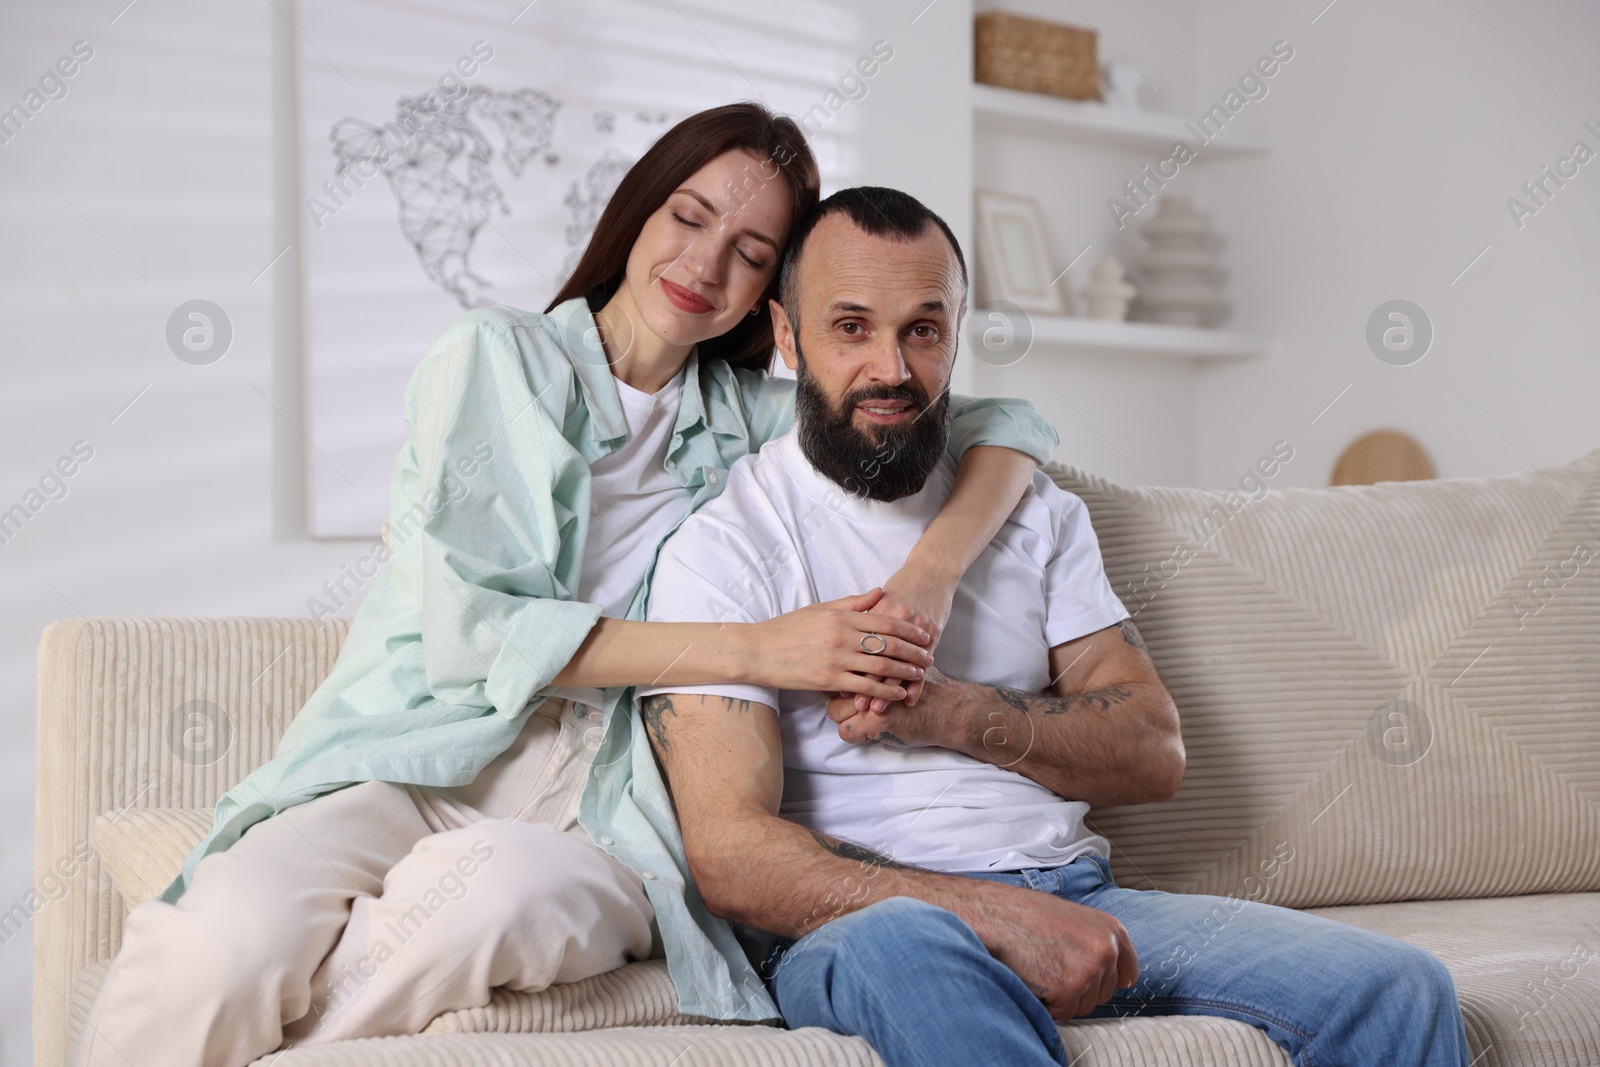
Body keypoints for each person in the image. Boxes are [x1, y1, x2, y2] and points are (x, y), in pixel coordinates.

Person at [72, 107, 1064, 1067]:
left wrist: (930, 575)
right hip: (414, 755)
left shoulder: (749, 418)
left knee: (494, 902)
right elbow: (475, 631)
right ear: (638, 208)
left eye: (752, 252)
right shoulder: (498, 357)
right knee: (221, 944)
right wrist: (759, 649)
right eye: (688, 216)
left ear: (772, 297)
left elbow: (1006, 423)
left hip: (607, 796)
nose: (705, 264)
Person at [636, 185, 1472, 1067]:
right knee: (910, 951)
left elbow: (1153, 751)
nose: (890, 367)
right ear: (788, 335)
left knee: (1400, 985)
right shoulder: (724, 547)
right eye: (851, 327)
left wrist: (948, 709)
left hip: (1077, 888)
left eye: (923, 328)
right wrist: (989, 912)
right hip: (872, 922)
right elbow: (729, 851)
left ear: (957, 333)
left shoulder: (1033, 513)